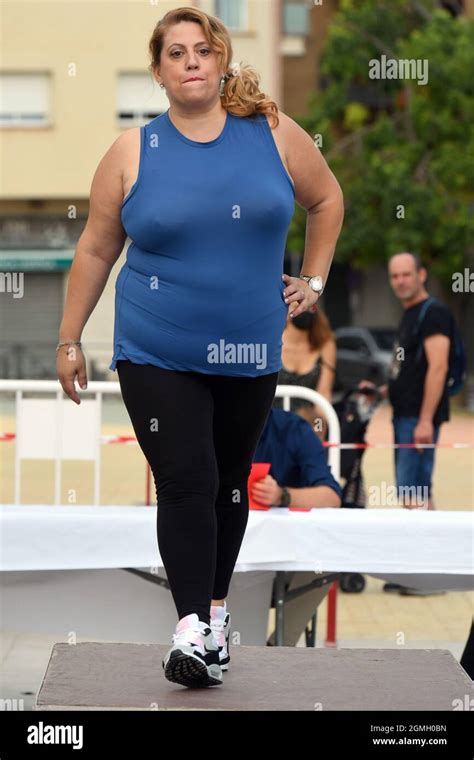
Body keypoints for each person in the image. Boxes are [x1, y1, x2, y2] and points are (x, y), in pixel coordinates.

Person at [56, 7, 344, 688]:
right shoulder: (132, 151)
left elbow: (326, 200)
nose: (190, 61)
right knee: (185, 476)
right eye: (175, 52)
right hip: (156, 347)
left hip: (248, 351)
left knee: (226, 483)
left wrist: (314, 278)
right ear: (157, 71)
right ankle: (190, 626)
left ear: (220, 63)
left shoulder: (271, 133)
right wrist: (69, 338)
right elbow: (97, 247)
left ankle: (212, 620)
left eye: (202, 50)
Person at [360, 252, 453, 595]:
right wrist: (384, 390)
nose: (400, 280)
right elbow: (411, 372)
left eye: (406, 274)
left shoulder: (435, 314)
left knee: (416, 490)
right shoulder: (411, 315)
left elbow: (438, 368)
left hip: (419, 418)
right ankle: (419, 569)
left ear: (421, 275)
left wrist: (426, 420)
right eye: (394, 275)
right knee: (413, 490)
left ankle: (431, 574)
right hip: (407, 415)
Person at [250, 408, 341, 646]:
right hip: (225, 556)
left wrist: (283, 496)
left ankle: (281, 644)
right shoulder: (205, 425)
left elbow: (331, 496)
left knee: (327, 555)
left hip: (284, 558)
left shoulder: (295, 430)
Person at [272, 307, 337, 438]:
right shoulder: (272, 341)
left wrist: (319, 431)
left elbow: (324, 395)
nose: (303, 308)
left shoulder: (325, 344)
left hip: (307, 426)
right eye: (296, 303)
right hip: (271, 423)